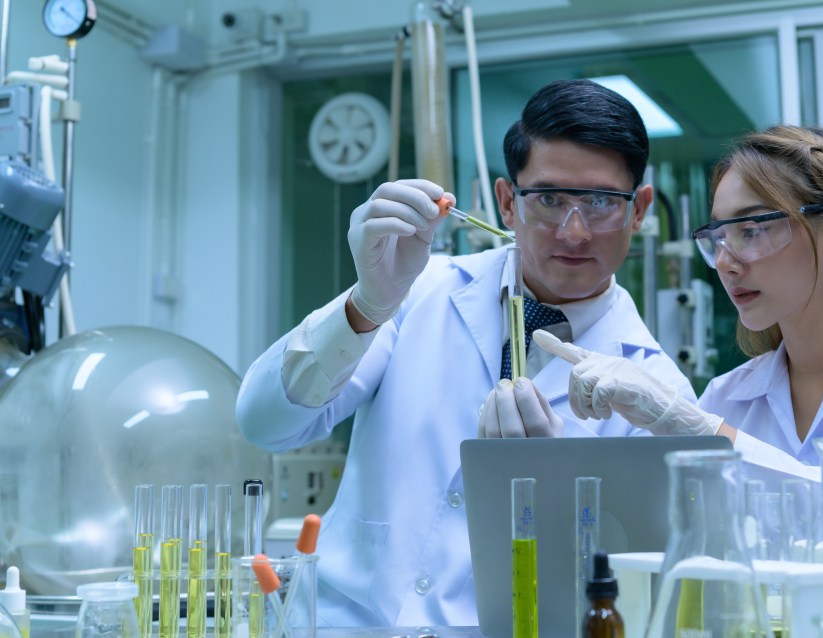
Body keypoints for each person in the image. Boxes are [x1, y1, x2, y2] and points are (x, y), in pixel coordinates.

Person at [234, 79, 697, 627]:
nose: (574, 232)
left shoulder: (657, 392)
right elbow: (264, 423)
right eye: (548, 199)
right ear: (506, 202)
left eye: (600, 202)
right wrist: (366, 304)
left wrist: (546, 495)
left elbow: (631, 600)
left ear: (638, 209)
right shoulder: (416, 291)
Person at [536, 124, 823, 619]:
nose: (726, 263)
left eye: (752, 230)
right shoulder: (728, 396)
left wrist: (708, 435)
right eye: (717, 237)